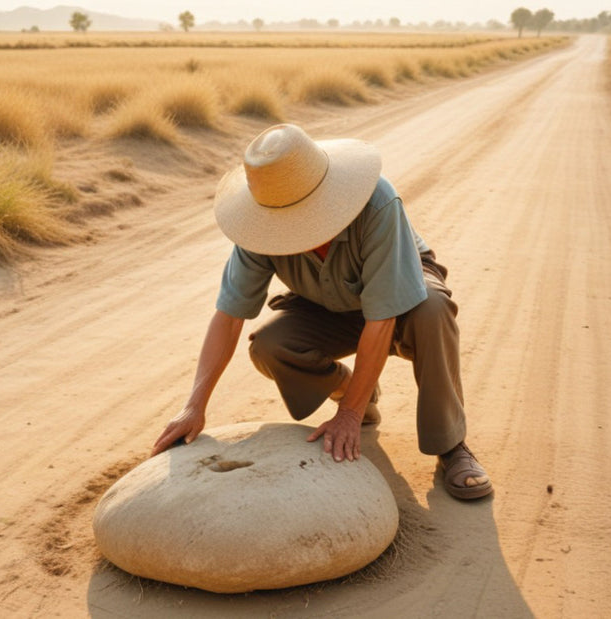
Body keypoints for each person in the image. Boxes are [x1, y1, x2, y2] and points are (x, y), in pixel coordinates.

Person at [151, 123, 492, 500]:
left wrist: (348, 413)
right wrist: (193, 406)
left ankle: (451, 445)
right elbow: (229, 316)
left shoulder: (378, 203)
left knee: (433, 310)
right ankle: (352, 387)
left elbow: (382, 318)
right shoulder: (259, 223)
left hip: (400, 292)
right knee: (269, 344)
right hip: (324, 301)